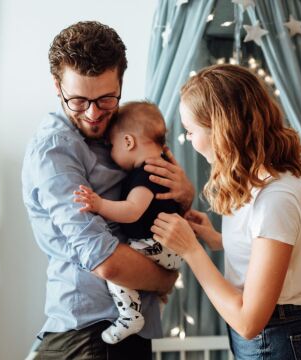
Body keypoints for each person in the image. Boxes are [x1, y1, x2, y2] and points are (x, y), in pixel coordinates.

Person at [21, 21, 193, 359]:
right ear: (57, 87)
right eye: (79, 100)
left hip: (128, 329)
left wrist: (185, 195)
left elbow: (163, 204)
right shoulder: (55, 151)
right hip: (92, 330)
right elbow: (104, 260)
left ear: (120, 84)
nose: (94, 113)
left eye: (106, 98)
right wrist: (164, 280)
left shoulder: (126, 131)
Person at [151, 64, 301, 359]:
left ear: (221, 131)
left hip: (276, 337)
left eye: (191, 131)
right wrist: (216, 239)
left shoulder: (275, 199)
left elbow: (249, 322)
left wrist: (191, 250)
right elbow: (277, 251)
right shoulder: (275, 174)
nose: (190, 140)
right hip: (278, 333)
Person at [73, 100, 183, 345]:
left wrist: (99, 205)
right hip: (166, 246)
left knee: (120, 267)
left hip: (161, 245)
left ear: (128, 142)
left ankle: (129, 315)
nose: (111, 153)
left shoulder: (148, 173)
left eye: (112, 146)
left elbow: (133, 211)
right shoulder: (161, 168)